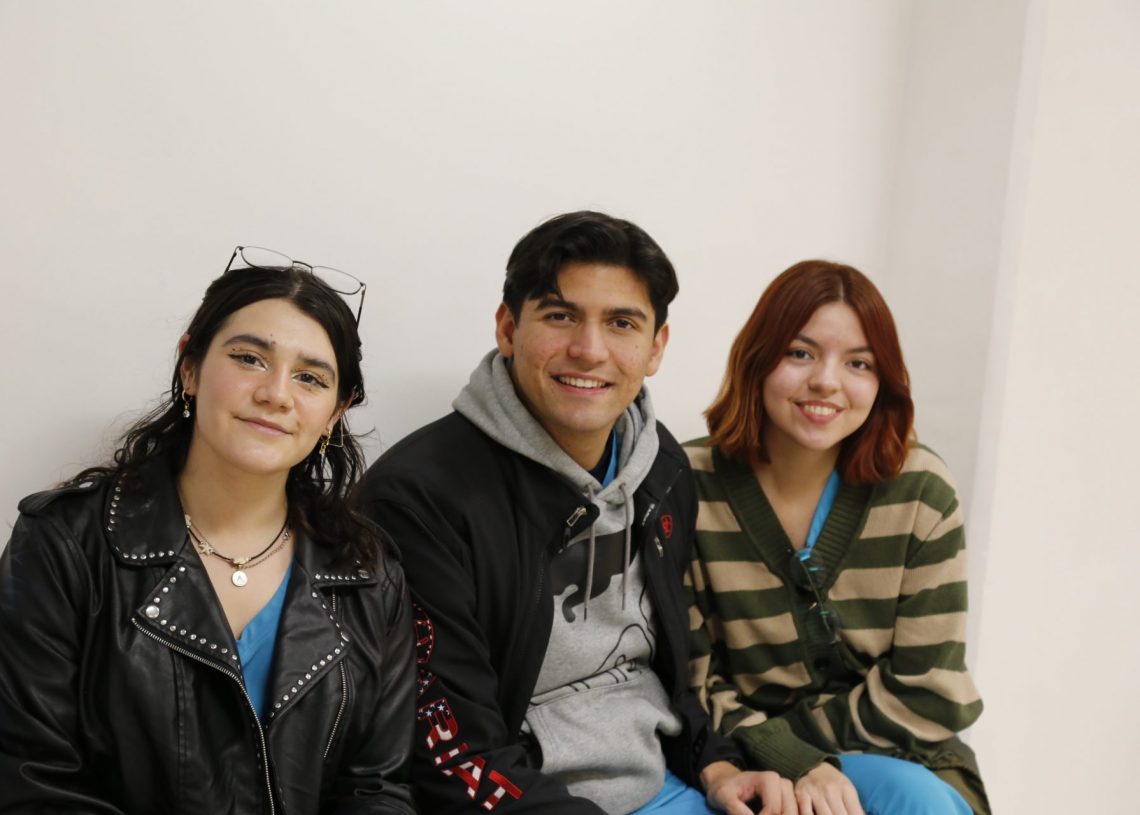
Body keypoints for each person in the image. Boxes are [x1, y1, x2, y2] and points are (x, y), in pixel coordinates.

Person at [356, 212, 795, 815]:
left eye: (622, 323)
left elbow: (663, 668)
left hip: (665, 784)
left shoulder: (661, 467)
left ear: (655, 348)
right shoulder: (418, 498)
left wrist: (716, 764)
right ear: (508, 328)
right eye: (560, 316)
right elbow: (451, 755)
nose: (589, 351)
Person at [0, 247, 416, 814]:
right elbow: (28, 779)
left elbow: (377, 788)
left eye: (310, 378)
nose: (275, 394)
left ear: (336, 412)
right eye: (249, 359)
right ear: (190, 368)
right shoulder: (64, 543)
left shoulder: (368, 572)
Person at [684, 260, 990, 815]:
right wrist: (783, 759)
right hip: (735, 760)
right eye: (800, 353)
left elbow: (927, 690)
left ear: (882, 382)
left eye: (858, 363)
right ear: (757, 359)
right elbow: (690, 681)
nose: (827, 381)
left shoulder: (920, 492)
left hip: (902, 756)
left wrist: (792, 751)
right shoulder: (686, 487)